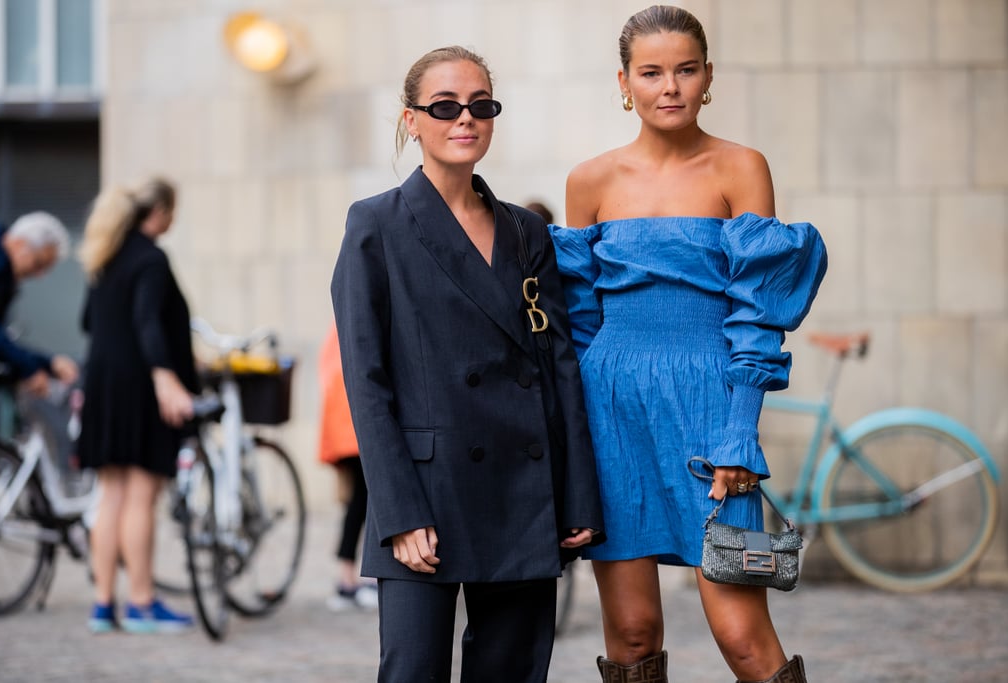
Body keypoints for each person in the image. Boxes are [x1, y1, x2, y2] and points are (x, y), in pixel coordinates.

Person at [551, 6, 828, 683]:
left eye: (685, 69)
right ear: (625, 82)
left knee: (741, 634)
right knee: (633, 631)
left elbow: (757, 312)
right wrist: (579, 438)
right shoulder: (590, 181)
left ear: (709, 78)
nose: (669, 86)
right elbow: (580, 322)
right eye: (652, 72)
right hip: (612, 411)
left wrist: (739, 433)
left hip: (711, 408)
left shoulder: (740, 167)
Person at [331, 46, 604, 683]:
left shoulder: (524, 232)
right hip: (425, 496)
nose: (465, 119)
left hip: (522, 490)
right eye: (446, 106)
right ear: (411, 120)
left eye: (481, 106)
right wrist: (398, 513)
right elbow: (365, 382)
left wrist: (576, 495)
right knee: (412, 671)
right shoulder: (375, 224)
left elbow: (559, 365)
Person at [77, 177, 198, 634]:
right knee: (141, 496)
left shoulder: (105, 257)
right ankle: (142, 603)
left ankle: (103, 604)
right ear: (160, 212)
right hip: (139, 389)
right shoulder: (150, 259)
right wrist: (166, 376)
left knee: (111, 494)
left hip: (103, 385)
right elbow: (148, 322)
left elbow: (87, 321)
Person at [0, 211, 79, 403]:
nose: (38, 275)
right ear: (18, 243)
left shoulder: (1, 275)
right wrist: (30, 367)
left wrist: (46, 364)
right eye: (38, 263)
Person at [317, 324, 376, 611]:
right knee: (363, 501)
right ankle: (352, 579)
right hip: (355, 427)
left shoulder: (338, 326)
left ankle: (347, 578)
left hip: (345, 427)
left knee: (357, 501)